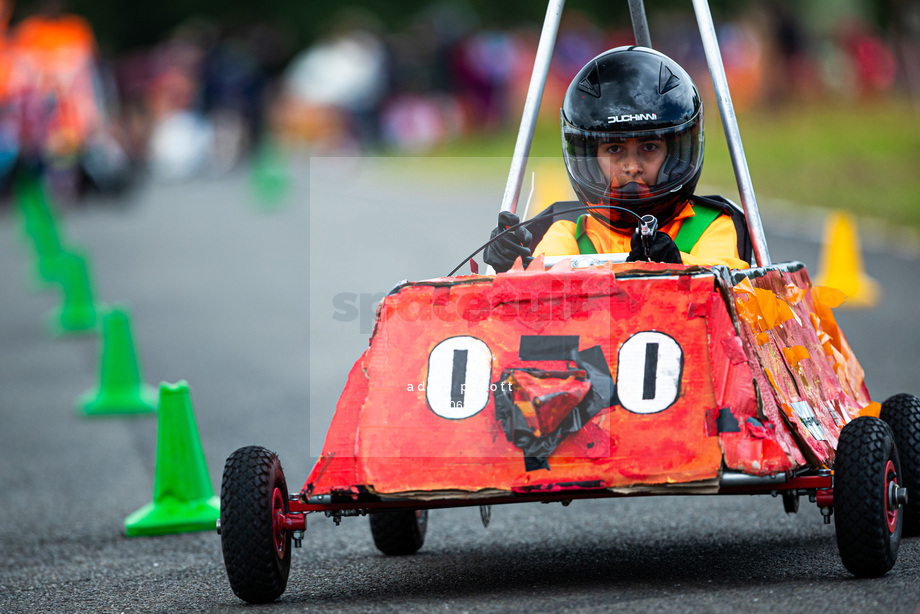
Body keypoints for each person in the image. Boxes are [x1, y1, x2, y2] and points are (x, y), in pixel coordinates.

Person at [484, 46, 750, 272]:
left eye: (648, 147)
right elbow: (542, 288)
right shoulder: (569, 233)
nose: (632, 167)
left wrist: (676, 264)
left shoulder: (711, 225)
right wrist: (513, 266)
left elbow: (731, 285)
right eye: (614, 149)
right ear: (589, 159)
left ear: (677, 154)